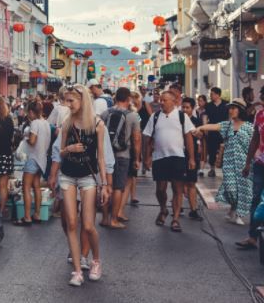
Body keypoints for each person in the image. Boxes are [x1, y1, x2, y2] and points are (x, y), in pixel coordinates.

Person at [49, 84, 109, 286]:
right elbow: (61, 152)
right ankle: (77, 271)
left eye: (70, 100)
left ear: (82, 101)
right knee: (72, 223)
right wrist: (70, 149)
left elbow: (101, 157)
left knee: (89, 225)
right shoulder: (67, 122)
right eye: (66, 100)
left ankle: (96, 261)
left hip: (88, 178)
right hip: (68, 176)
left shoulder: (97, 124)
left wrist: (105, 184)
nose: (67, 104)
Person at [195, 98, 254, 225]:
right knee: (231, 189)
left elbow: (255, 146)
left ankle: (238, 214)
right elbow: (214, 126)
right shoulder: (228, 125)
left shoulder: (250, 127)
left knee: (243, 190)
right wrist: (200, 127)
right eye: (230, 108)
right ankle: (233, 208)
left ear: (241, 110)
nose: (231, 111)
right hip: (228, 163)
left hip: (244, 164)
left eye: (234, 108)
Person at [143, 91, 195, 233]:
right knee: (160, 189)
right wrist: (146, 157)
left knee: (177, 189)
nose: (161, 102)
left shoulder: (181, 116)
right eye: (161, 100)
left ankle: (175, 219)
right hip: (159, 157)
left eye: (164, 100)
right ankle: (163, 209)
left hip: (177, 157)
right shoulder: (155, 116)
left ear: (173, 101)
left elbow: (188, 137)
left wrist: (191, 158)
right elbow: (147, 137)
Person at [100, 87, 140, 229]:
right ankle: (114, 219)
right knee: (118, 188)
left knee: (105, 185)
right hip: (123, 155)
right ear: (128, 99)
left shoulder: (105, 113)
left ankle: (104, 218)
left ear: (115, 98)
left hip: (105, 155)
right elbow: (136, 140)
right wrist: (137, 159)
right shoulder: (133, 116)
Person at [16, 101, 51, 225]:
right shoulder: (46, 123)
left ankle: (27, 217)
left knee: (26, 187)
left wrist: (25, 138)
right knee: (36, 186)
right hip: (42, 159)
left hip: (33, 158)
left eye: (28, 113)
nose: (27, 116)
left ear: (31, 112)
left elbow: (32, 141)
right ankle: (37, 214)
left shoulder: (35, 123)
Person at [240, 89, 264, 250]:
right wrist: (247, 163)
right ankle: (252, 237)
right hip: (260, 164)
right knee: (256, 199)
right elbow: (255, 139)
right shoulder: (259, 115)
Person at [181, 97, 203, 221]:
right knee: (178, 183)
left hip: (192, 156)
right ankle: (178, 207)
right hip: (178, 155)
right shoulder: (177, 120)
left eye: (187, 107)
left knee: (191, 183)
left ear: (192, 108)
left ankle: (193, 210)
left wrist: (197, 134)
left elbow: (201, 136)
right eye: (183, 107)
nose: (185, 109)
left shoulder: (196, 121)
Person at [204, 87, 228, 177]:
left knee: (225, 150)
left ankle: (225, 169)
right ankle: (212, 169)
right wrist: (205, 128)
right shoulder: (209, 105)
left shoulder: (226, 104)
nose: (211, 95)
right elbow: (205, 117)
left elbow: (229, 118)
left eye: (212, 94)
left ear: (218, 95)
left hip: (223, 129)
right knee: (212, 150)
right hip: (212, 130)